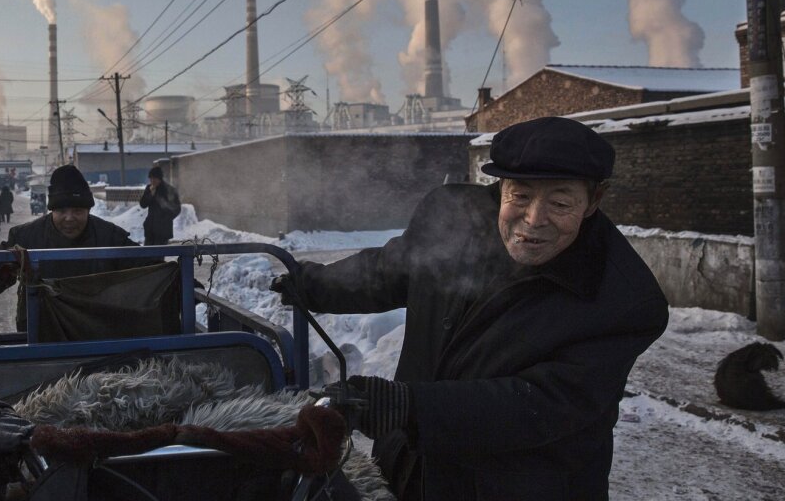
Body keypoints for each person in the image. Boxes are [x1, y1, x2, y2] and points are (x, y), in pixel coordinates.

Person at [274, 117, 669, 500]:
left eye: (560, 202)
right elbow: (390, 272)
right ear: (501, 187)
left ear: (594, 200)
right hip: (410, 472)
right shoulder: (454, 219)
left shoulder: (622, 300)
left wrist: (408, 407)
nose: (534, 219)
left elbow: (540, 404)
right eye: (521, 195)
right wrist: (309, 284)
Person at [0, 164, 153, 329]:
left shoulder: (111, 238)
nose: (69, 218)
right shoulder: (26, 238)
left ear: (88, 210)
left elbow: (149, 269)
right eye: (61, 211)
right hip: (43, 336)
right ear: (52, 211)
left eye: (77, 211)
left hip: (96, 334)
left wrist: (180, 281)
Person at [139, 166, 181, 246]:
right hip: (150, 229)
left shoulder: (169, 190)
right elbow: (143, 204)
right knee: (147, 255)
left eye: (154, 179)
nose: (152, 181)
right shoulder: (149, 188)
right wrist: (150, 194)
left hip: (163, 230)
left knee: (159, 255)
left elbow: (177, 209)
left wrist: (166, 219)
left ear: (159, 178)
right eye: (150, 179)